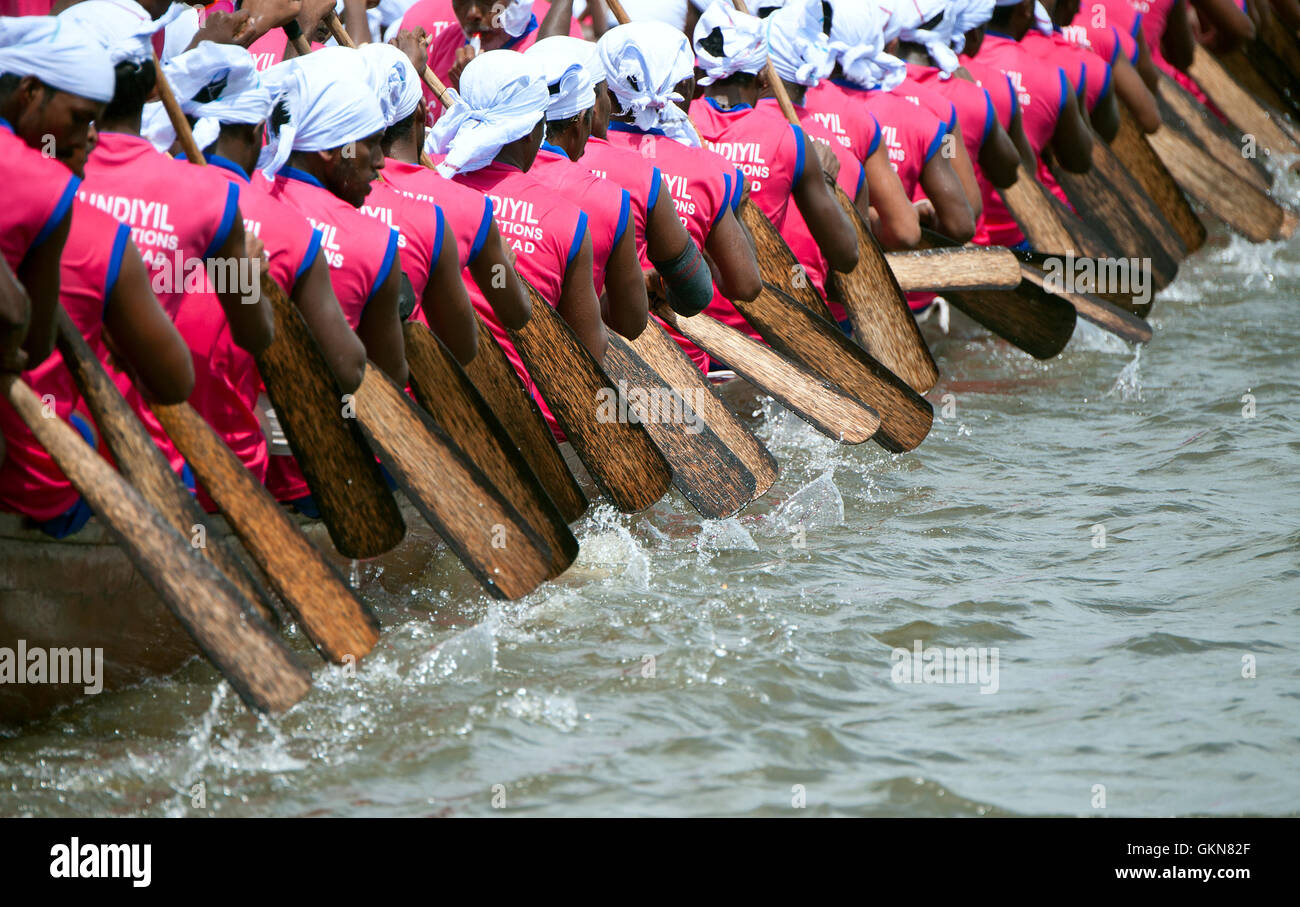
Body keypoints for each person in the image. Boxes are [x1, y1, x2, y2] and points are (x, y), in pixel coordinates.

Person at [69, 0, 272, 487]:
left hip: (49, 461)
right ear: (152, 87)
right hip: (154, 464)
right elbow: (255, 333)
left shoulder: (35, 177)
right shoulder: (208, 196)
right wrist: (250, 273)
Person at [259, 47, 406, 506]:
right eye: (372, 144)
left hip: (243, 466)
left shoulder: (233, 202)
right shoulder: (374, 240)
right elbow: (390, 378)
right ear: (330, 150)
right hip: (331, 477)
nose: (381, 163)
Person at [427, 49, 604, 415]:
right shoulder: (566, 218)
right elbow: (590, 356)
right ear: (534, 130)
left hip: (430, 398)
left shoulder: (426, 180)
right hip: (517, 417)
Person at [596, 21, 762, 371]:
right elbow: (744, 285)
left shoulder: (576, 158)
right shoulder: (715, 172)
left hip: (591, 362)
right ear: (686, 87)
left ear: (604, 92)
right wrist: (737, 206)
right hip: (681, 371)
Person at [689, 0, 857, 338]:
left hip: (684, 336)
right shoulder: (789, 139)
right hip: (761, 336)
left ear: (698, 72)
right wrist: (824, 179)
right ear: (764, 79)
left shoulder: (678, 127)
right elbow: (846, 255)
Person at [528, 35, 709, 321]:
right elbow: (684, 300)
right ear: (592, 109)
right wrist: (649, 285)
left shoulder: (467, 174)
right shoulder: (617, 194)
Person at [376, 37, 534, 338]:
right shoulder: (470, 206)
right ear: (422, 112)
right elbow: (515, 315)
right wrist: (505, 268)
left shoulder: (338, 187)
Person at [352, 40, 479, 363]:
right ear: (422, 111)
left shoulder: (332, 185)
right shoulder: (467, 204)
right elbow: (465, 350)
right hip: (414, 394)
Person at [810, 0, 976, 242]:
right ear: (887, 42)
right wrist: (910, 213)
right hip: (887, 258)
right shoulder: (929, 115)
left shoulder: (795, 109)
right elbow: (961, 225)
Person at [524, 35, 649, 341]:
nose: (610, 103)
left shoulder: (462, 173)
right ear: (584, 116)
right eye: (606, 92)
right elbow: (630, 324)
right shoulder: (611, 197)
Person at [0, 17, 107, 373]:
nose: (90, 136)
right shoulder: (50, 186)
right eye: (79, 118)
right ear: (29, 92)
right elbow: (35, 345)